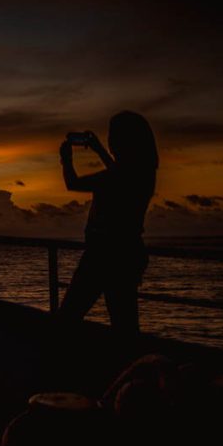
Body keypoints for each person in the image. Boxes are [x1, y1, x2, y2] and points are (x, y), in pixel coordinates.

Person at [57, 111, 158, 335]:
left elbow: (73, 183)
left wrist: (66, 159)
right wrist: (100, 150)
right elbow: (119, 174)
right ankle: (129, 364)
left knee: (68, 317)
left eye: (114, 136)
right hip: (127, 253)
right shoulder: (142, 174)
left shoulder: (118, 176)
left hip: (103, 255)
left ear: (124, 141)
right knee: (125, 324)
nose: (111, 141)